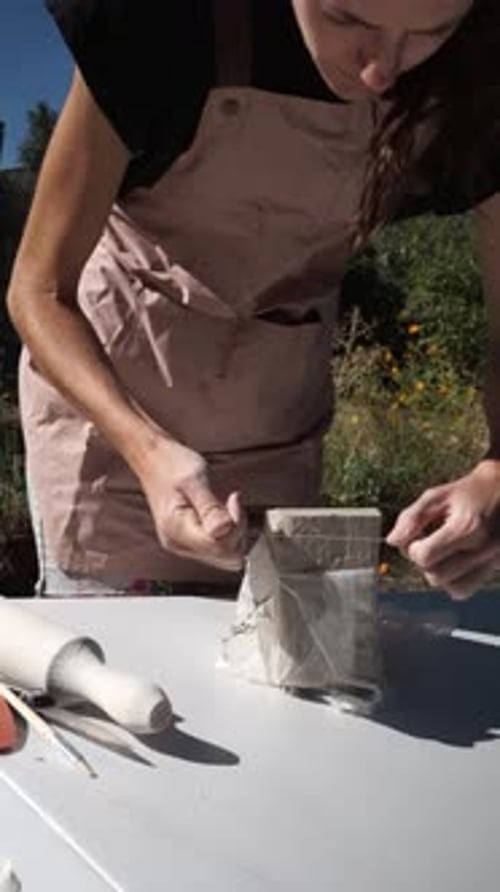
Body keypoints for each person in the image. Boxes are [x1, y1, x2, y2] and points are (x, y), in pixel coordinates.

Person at [6, 0, 500, 599]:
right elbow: (38, 288)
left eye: (431, 33)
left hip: (275, 429)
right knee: (110, 673)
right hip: (111, 433)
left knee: (269, 662)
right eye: (347, 19)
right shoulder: (156, 24)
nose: (379, 71)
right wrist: (146, 448)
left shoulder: (484, 69)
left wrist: (496, 470)